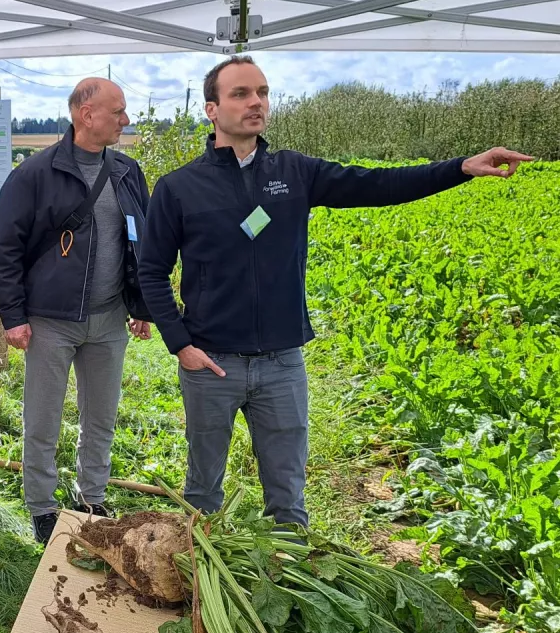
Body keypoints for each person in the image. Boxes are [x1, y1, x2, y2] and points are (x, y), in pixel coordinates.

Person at [138, 55, 532, 528]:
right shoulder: (179, 187)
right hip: (211, 363)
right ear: (211, 110)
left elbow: (380, 183)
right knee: (202, 493)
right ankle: (198, 586)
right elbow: (152, 271)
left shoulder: (295, 172)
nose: (256, 102)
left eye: (262, 92)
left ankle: (290, 585)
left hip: (283, 363)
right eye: (241, 94)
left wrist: (461, 167)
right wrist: (181, 346)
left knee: (287, 496)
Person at [0, 78, 155, 544]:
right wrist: (13, 315)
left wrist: (140, 303)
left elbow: (142, 240)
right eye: (118, 112)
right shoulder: (36, 173)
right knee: (42, 419)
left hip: (108, 318)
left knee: (101, 416)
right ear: (86, 114)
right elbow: (4, 249)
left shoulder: (126, 171)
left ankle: (92, 496)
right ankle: (42, 506)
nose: (126, 120)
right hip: (49, 320)